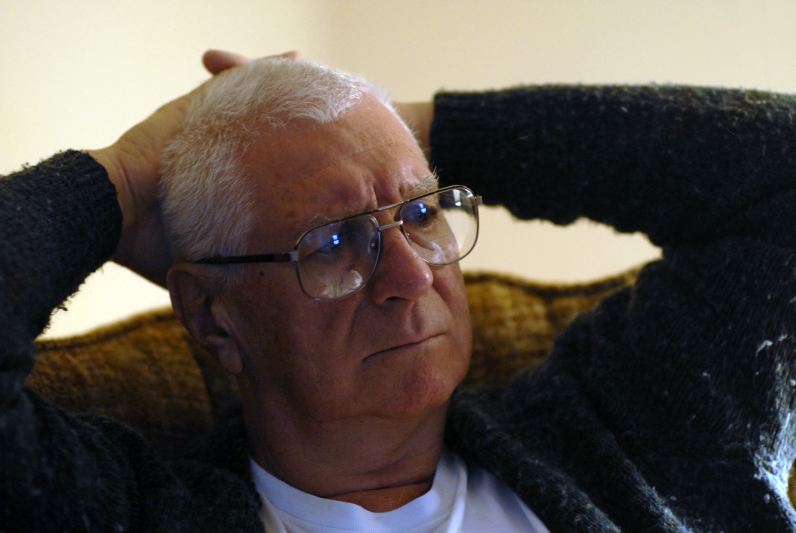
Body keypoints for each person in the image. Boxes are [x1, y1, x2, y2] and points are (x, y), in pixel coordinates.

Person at [2, 49, 795, 532]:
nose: (412, 275)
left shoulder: (633, 429)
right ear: (214, 318)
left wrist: (397, 122)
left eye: (421, 213)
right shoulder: (134, 510)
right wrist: (120, 184)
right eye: (335, 241)